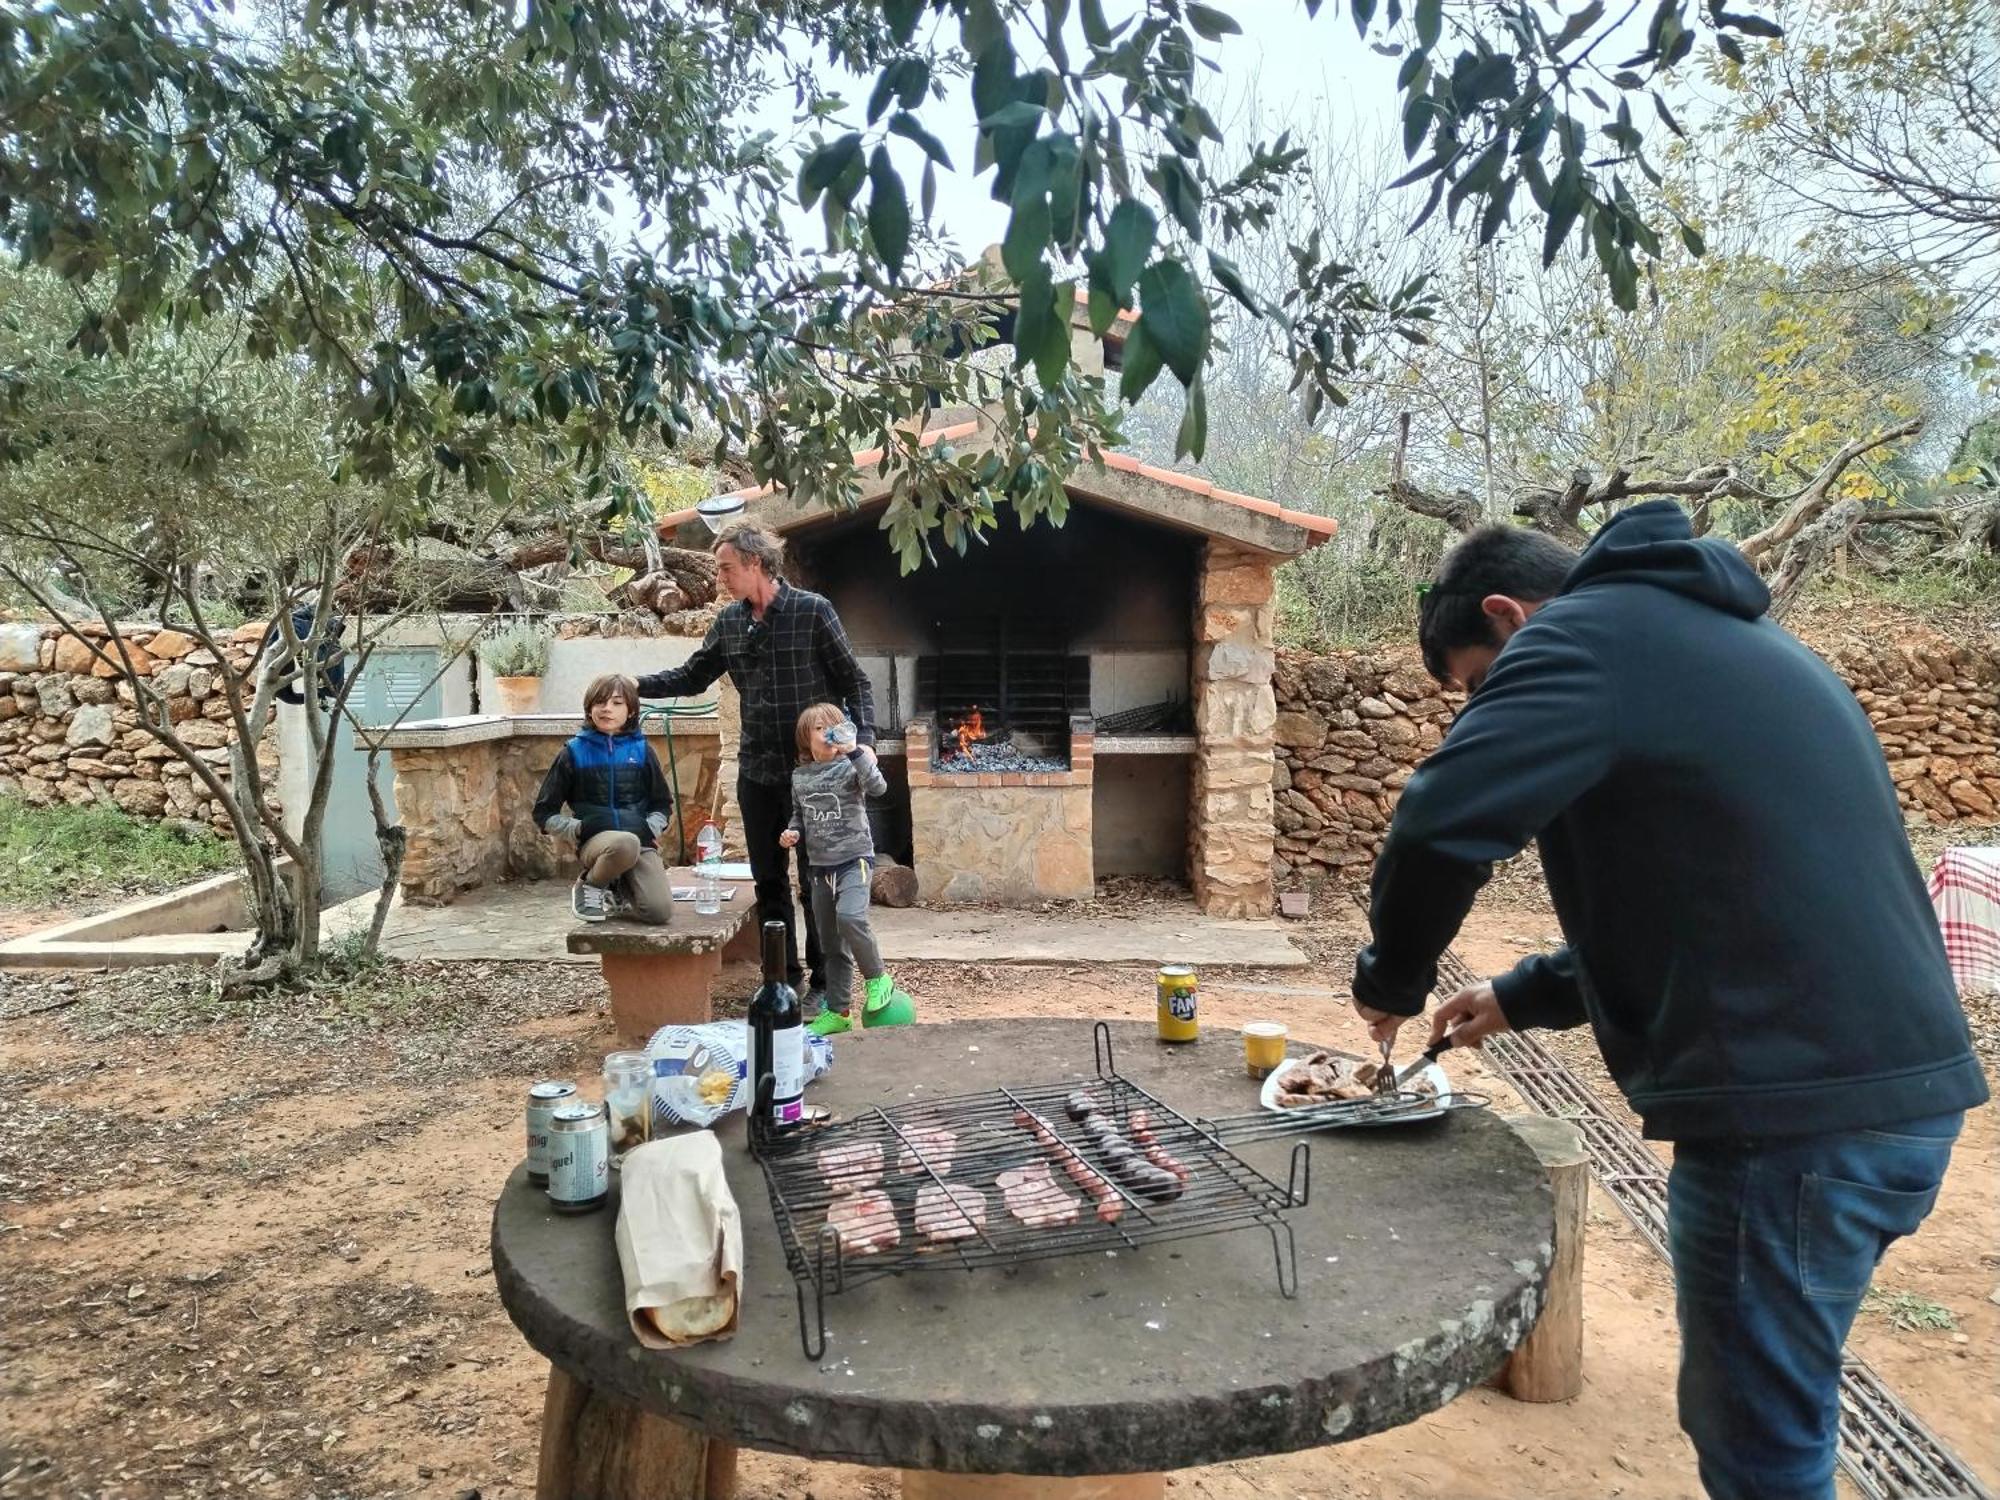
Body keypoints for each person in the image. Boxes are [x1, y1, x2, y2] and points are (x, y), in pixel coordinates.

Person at [1349, 501, 1986, 1500]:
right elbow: (1713, 901)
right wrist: (1518, 995)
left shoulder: (1579, 641)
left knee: (1760, 1447)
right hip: (1889, 1099)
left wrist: (1385, 978)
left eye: (1475, 687)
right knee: (1780, 1406)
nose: (1482, 710)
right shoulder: (1717, 643)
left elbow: (1438, 823)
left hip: (1794, 1122)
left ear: (1507, 618)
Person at [634, 521, 876, 999]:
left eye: (726, 568)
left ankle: (828, 986)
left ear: (756, 563)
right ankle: (781, 981)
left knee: (818, 884)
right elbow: (692, 676)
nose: (720, 578)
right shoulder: (728, 622)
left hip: (816, 776)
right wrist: (634, 686)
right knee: (768, 882)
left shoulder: (813, 612)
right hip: (758, 772)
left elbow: (856, 683)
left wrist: (862, 740)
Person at [780, 703, 915, 1035]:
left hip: (855, 861)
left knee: (851, 917)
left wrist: (856, 752)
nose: (827, 734)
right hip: (820, 868)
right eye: (819, 729)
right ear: (805, 739)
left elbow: (879, 787)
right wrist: (792, 831)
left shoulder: (851, 766)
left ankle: (877, 977)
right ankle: (839, 1011)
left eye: (834, 727)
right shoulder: (800, 776)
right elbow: (800, 814)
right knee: (830, 944)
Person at [532, 673, 674, 923]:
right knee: (624, 843)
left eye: (617, 703)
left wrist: (649, 827)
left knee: (659, 912)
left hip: (639, 841)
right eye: (600, 702)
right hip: (597, 844)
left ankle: (617, 887)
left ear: (630, 711)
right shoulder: (573, 752)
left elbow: (662, 804)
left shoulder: (642, 751)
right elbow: (543, 813)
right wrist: (577, 829)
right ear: (589, 709)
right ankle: (591, 884)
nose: (607, 709)